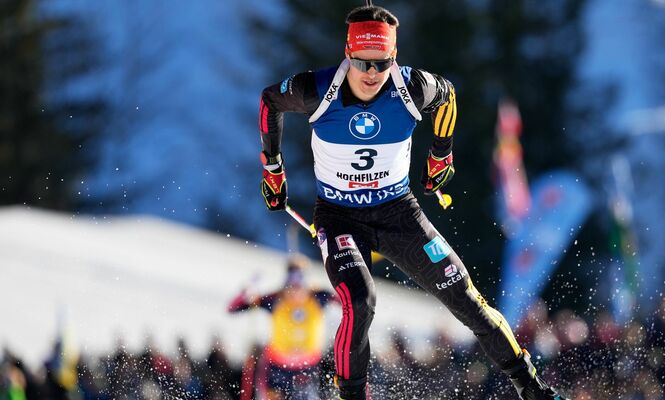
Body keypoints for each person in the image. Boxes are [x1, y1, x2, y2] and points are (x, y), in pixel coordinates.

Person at [257, 5, 568, 400]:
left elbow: (448, 97)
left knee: (467, 299)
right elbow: (270, 101)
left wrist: (441, 155)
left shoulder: (412, 88)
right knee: (360, 300)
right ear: (347, 54)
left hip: (399, 213)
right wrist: (272, 167)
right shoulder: (317, 89)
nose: (371, 74)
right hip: (340, 217)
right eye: (362, 62)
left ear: (394, 57)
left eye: (381, 63)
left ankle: (533, 389)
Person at [227, 256, 337, 400]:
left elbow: (349, 301)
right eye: (291, 284)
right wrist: (246, 290)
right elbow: (233, 308)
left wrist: (341, 280)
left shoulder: (318, 296)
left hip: (306, 368)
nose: (295, 291)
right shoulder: (275, 299)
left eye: (300, 283)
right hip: (277, 368)